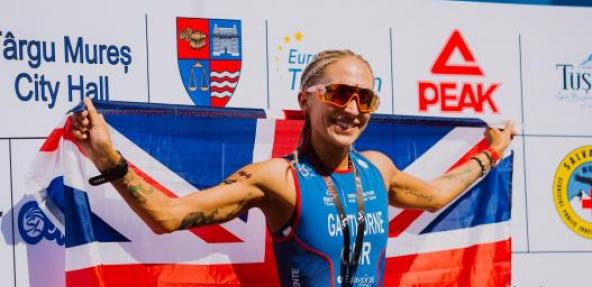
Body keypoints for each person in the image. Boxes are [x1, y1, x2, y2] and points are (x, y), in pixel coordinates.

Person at [71, 49, 514, 287]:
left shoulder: (379, 169)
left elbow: (436, 195)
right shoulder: (275, 179)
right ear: (306, 100)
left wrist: (490, 153)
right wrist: (109, 160)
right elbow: (167, 216)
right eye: (339, 94)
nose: (353, 109)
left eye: (366, 98)